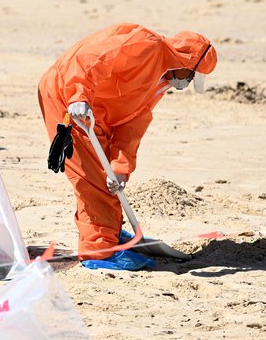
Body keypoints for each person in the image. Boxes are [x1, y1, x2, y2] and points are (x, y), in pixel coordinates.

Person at [38, 23, 217, 271]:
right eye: (190, 77)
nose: (186, 84)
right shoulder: (145, 44)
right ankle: (99, 249)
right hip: (67, 99)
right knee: (93, 181)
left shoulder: (161, 82)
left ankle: (109, 231)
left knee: (109, 180)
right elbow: (92, 59)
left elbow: (132, 126)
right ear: (185, 63)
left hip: (98, 113)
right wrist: (78, 95)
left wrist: (121, 168)